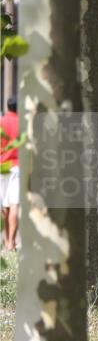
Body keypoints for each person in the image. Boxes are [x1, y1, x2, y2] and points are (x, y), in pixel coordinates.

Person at [0, 95, 19, 251]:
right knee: (14, 205)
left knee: (4, 204)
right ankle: (11, 242)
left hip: (2, 167)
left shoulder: (1, 122)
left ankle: (6, 239)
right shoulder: (23, 124)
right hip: (17, 167)